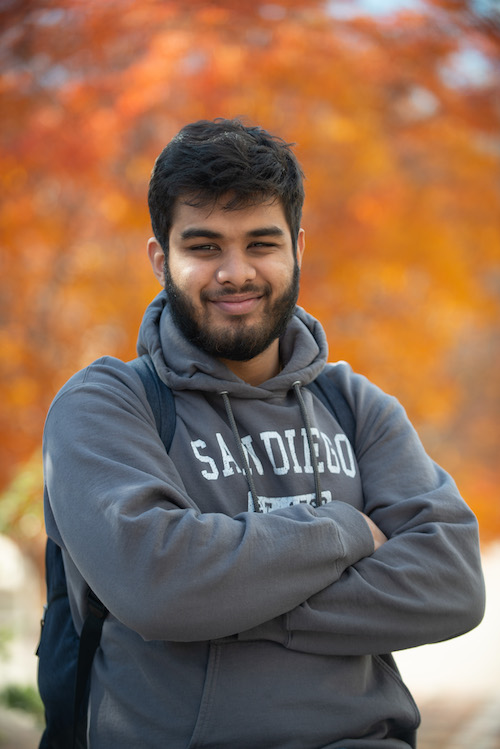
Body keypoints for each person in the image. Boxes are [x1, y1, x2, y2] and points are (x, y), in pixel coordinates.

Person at [42, 118, 485, 749]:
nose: (234, 272)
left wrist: (222, 600)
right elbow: (158, 586)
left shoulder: (355, 405)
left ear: (298, 248)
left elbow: (452, 582)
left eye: (260, 243)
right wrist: (349, 530)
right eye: (204, 247)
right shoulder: (106, 406)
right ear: (159, 257)